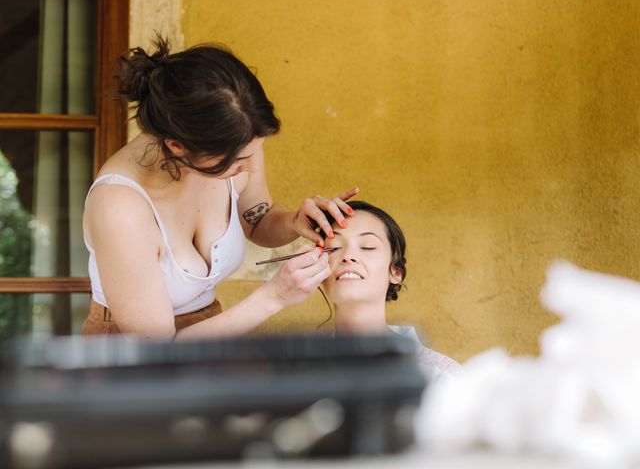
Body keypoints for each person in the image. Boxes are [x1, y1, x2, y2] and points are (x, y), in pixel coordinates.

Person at [82, 36, 358, 339]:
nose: (250, 167)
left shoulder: (237, 140)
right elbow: (160, 356)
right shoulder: (119, 208)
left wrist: (294, 222)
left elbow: (259, 221)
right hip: (135, 366)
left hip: (210, 335)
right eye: (238, 161)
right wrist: (274, 296)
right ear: (178, 146)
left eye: (255, 152)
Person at [320, 201, 462, 382]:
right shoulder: (298, 374)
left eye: (368, 246)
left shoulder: (442, 377)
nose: (348, 255)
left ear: (396, 271)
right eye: (334, 247)